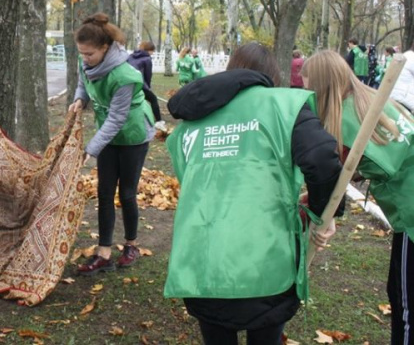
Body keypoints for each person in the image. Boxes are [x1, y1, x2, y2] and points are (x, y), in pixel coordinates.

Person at [164, 43, 341, 345]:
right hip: (264, 260)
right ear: (272, 75)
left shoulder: (192, 121)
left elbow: (195, 180)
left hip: (202, 260)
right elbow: (323, 159)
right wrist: (325, 213)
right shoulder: (283, 106)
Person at [302, 50, 414, 344]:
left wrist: (319, 213)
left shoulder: (347, 120)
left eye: (308, 85)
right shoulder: (373, 101)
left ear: (322, 85)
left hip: (412, 214)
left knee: (404, 304)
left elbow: (333, 182)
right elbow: (359, 167)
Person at [69, 13, 155, 275]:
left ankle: (131, 245)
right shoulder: (87, 64)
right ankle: (103, 251)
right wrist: (79, 100)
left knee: (127, 192)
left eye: (90, 54)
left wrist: (89, 149)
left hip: (133, 135)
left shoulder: (125, 75)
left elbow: (118, 118)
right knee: (105, 192)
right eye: (82, 54)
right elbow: (84, 84)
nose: (85, 59)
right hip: (107, 134)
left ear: (105, 48)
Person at [127, 41, 162, 121]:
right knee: (153, 99)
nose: (153, 53)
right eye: (152, 51)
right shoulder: (147, 59)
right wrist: (148, 87)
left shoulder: (130, 56)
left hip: (128, 83)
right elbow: (148, 75)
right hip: (140, 84)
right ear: (149, 50)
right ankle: (159, 120)